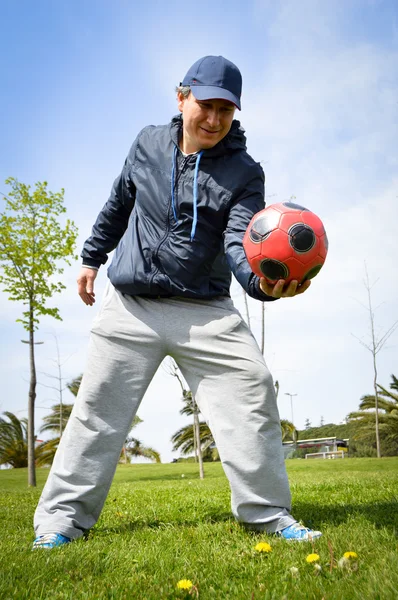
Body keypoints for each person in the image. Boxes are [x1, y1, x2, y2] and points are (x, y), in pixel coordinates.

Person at [33, 55, 321, 549]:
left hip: (205, 310)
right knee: (95, 410)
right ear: (182, 96)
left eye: (225, 111)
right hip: (132, 304)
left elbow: (241, 240)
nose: (212, 120)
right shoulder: (146, 143)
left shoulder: (245, 173)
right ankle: (60, 521)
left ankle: (268, 514)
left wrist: (260, 283)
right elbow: (117, 204)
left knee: (252, 386)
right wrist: (89, 258)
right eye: (205, 105)